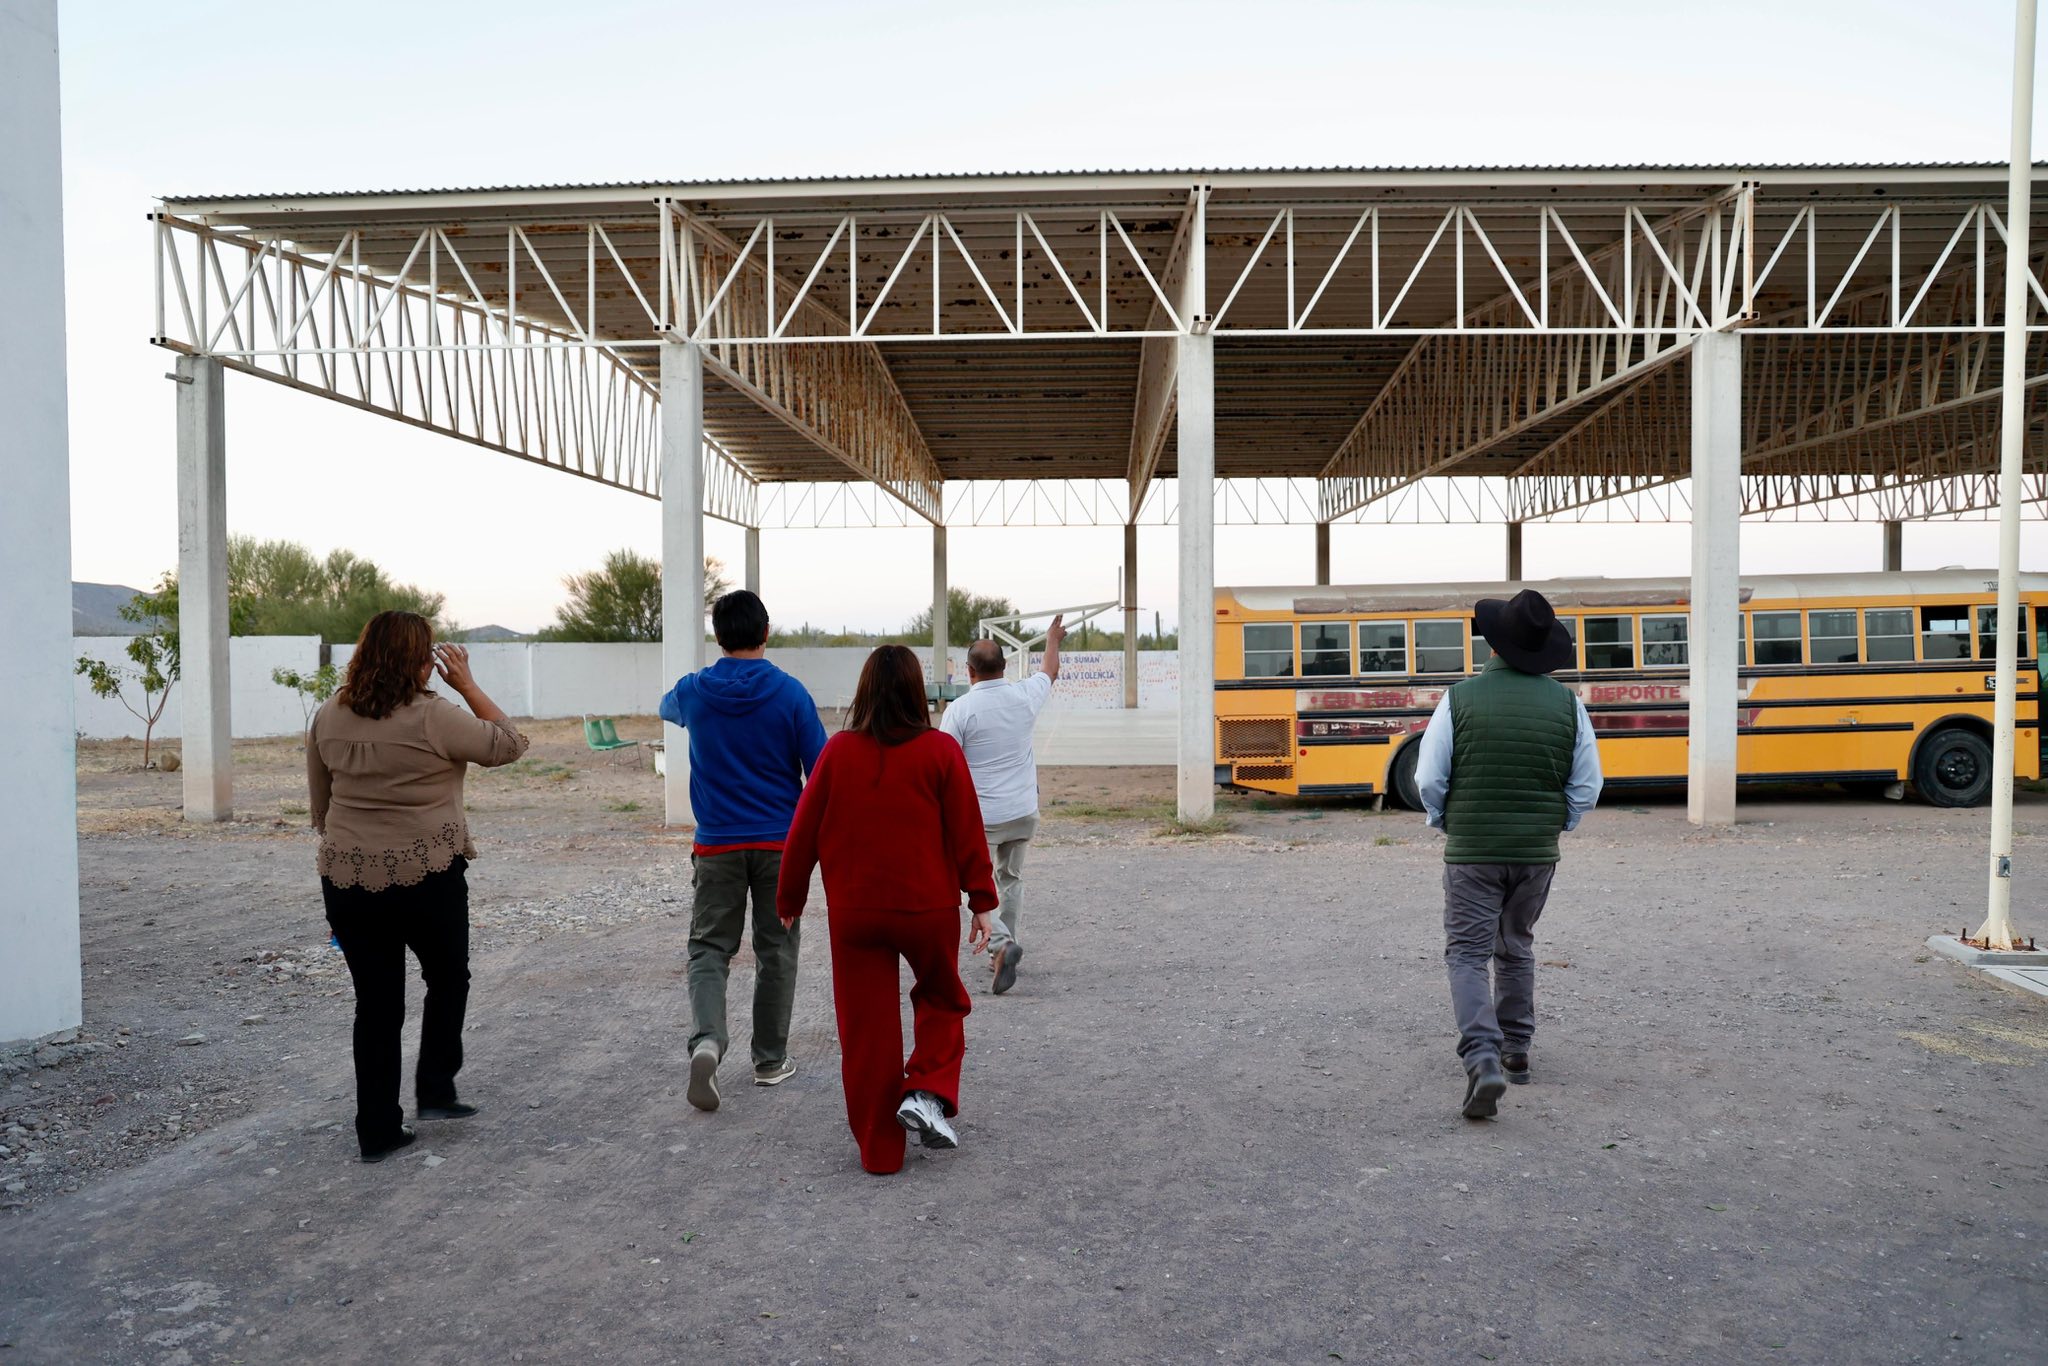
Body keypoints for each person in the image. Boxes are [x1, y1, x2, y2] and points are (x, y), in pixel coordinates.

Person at [308, 612, 529, 1163]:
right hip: (428, 873)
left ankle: (377, 1130)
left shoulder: (328, 714)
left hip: (348, 876)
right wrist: (468, 685)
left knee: (377, 1005)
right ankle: (435, 1089)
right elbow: (510, 744)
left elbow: (320, 804)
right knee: (448, 977)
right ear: (420, 659)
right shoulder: (435, 715)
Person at [776, 645, 997, 1175]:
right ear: (918, 691)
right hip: (926, 906)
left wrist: (791, 897)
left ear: (865, 690)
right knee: (942, 999)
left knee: (867, 1029)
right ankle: (924, 1091)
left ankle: (880, 1153)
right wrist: (982, 901)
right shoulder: (941, 751)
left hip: (854, 912)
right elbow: (966, 831)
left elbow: (802, 829)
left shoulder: (837, 752)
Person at [1415, 588, 1603, 1121]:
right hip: (1536, 852)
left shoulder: (1459, 699)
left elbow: (1430, 777)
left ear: (1491, 645)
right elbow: (1587, 785)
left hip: (1473, 850)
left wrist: (1444, 820)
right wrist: (1555, 823)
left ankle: (1482, 1057)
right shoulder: (1569, 704)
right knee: (1515, 944)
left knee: (1468, 953)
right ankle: (1516, 1049)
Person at [658, 590, 828, 1113]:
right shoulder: (791, 693)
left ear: (718, 636)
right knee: (776, 950)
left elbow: (667, 708)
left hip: (716, 845)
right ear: (766, 632)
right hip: (780, 843)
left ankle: (707, 1041)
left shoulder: (693, 692)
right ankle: (770, 1060)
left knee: (710, 949)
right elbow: (819, 767)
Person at [937, 613, 1064, 994]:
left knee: (974, 884)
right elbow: (1049, 671)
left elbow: (944, 762)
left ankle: (1000, 943)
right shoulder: (1025, 695)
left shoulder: (960, 710)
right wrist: (1052, 639)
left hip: (982, 817)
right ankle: (1002, 951)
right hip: (1024, 811)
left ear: (969, 671)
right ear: (1004, 668)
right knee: (1011, 879)